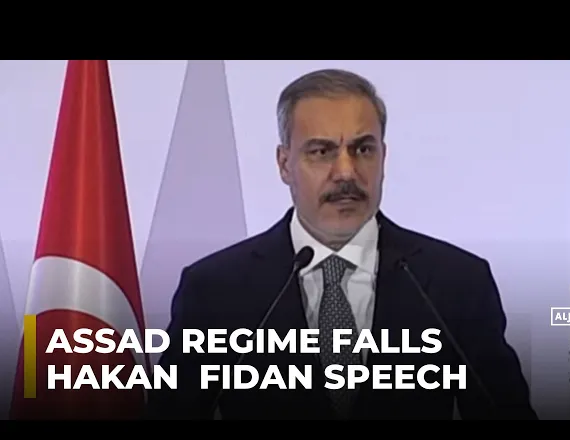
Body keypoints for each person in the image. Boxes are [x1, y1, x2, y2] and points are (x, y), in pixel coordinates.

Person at [146, 68, 538, 420]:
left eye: (363, 149)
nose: (346, 172)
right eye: (322, 152)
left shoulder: (456, 283)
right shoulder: (215, 289)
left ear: (383, 157)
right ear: (284, 164)